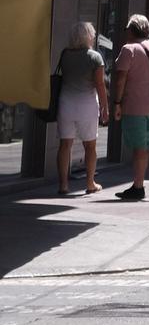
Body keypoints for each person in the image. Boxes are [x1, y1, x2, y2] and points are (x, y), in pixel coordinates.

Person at [111, 15, 149, 201]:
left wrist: (117, 103)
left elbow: (120, 79)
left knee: (138, 147)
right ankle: (139, 183)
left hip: (135, 105)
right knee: (144, 148)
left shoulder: (128, 50)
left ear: (131, 30)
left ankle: (138, 186)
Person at [55, 22, 108, 197]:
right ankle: (90, 182)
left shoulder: (65, 54)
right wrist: (105, 107)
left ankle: (63, 185)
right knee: (90, 145)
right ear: (88, 36)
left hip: (66, 103)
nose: (93, 37)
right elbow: (100, 85)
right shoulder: (95, 57)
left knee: (65, 145)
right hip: (87, 104)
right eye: (92, 35)